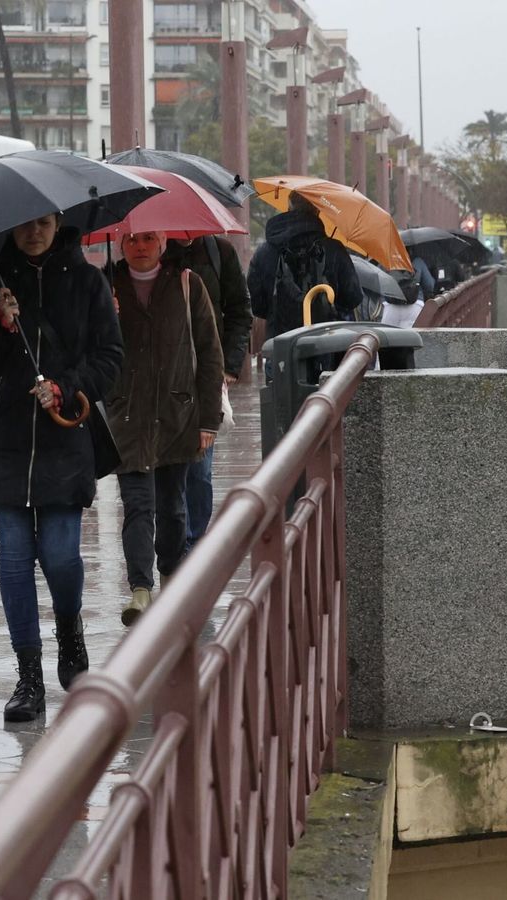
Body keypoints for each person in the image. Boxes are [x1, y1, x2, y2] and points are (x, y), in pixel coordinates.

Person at [0, 213, 123, 723]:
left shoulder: (88, 280)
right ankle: (28, 677)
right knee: (12, 559)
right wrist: (3, 328)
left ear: (60, 224)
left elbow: (111, 358)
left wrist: (68, 386)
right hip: (3, 441)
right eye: (24, 224)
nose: (33, 232)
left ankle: (69, 629)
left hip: (63, 440)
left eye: (44, 223)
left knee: (60, 555)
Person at [107, 230, 224, 626]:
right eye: (132, 240)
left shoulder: (188, 284)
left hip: (178, 415)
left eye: (149, 239)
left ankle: (171, 576)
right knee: (137, 505)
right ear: (121, 244)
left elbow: (210, 353)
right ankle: (140, 589)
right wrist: (104, 313)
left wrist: (209, 419)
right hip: (127, 417)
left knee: (173, 508)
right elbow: (90, 349)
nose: (140, 246)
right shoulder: (108, 286)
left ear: (162, 243)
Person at [162, 235, 252, 554]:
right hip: (162, 376)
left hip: (206, 373)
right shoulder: (153, 251)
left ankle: (195, 544)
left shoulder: (219, 251)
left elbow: (241, 312)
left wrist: (228, 366)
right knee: (169, 470)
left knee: (200, 470)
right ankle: (176, 543)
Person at [247, 192, 361, 342]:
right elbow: (352, 298)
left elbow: (257, 306)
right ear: (317, 211)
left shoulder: (264, 252)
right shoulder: (334, 249)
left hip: (281, 345)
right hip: (328, 344)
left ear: (288, 208)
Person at [382, 255, 432, 328]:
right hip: (415, 306)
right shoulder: (418, 261)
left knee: (389, 337)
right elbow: (430, 285)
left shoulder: (386, 261)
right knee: (412, 337)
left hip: (390, 307)